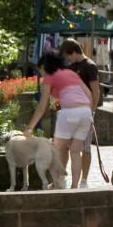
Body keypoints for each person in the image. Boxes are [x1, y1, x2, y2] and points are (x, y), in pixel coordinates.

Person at [25, 51, 94, 189]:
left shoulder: (49, 78)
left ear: (44, 66)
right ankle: (74, 186)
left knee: (55, 150)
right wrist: (89, 114)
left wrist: (29, 128)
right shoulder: (72, 73)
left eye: (41, 71)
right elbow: (89, 94)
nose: (41, 75)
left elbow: (42, 106)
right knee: (75, 151)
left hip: (69, 113)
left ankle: (57, 183)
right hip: (86, 113)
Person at [61, 39, 100, 188]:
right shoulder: (71, 67)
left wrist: (92, 111)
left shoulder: (90, 66)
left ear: (73, 52)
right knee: (65, 146)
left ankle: (84, 180)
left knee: (85, 147)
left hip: (85, 112)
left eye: (67, 55)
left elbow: (95, 91)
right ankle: (62, 177)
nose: (67, 59)